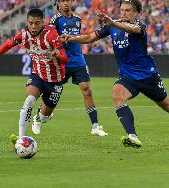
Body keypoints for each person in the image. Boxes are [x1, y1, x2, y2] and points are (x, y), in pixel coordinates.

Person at [60, 0, 169, 148]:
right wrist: (71, 38)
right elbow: (90, 38)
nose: (123, 13)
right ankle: (132, 136)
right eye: (122, 10)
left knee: (166, 105)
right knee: (117, 94)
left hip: (148, 76)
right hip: (127, 77)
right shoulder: (112, 25)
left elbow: (130, 29)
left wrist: (113, 23)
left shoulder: (139, 26)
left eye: (128, 10)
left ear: (136, 13)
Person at [0, 8, 68, 141]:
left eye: (37, 23)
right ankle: (22, 138)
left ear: (43, 22)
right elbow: (7, 46)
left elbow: (65, 59)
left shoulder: (51, 34)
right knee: (29, 100)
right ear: (27, 21)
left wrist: (58, 56)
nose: (33, 26)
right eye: (31, 23)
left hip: (56, 80)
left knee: (44, 117)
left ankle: (39, 116)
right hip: (37, 75)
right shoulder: (24, 34)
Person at [47, 0, 108, 136]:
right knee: (53, 92)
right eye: (62, 1)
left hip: (78, 60)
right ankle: (42, 114)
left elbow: (80, 37)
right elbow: (50, 38)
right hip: (62, 60)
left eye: (68, 0)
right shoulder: (55, 19)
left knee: (87, 90)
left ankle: (95, 126)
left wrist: (73, 38)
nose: (66, 3)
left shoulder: (78, 19)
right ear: (59, 4)